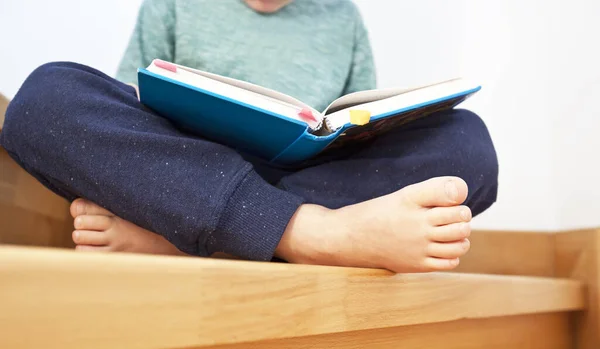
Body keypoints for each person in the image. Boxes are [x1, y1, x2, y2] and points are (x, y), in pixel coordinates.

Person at [0, 0, 498, 273]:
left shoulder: (341, 16)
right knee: (47, 95)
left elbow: (358, 121)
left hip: (307, 179)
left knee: (467, 141)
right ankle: (318, 236)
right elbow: (130, 106)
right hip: (190, 175)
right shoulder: (172, 3)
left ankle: (195, 238)